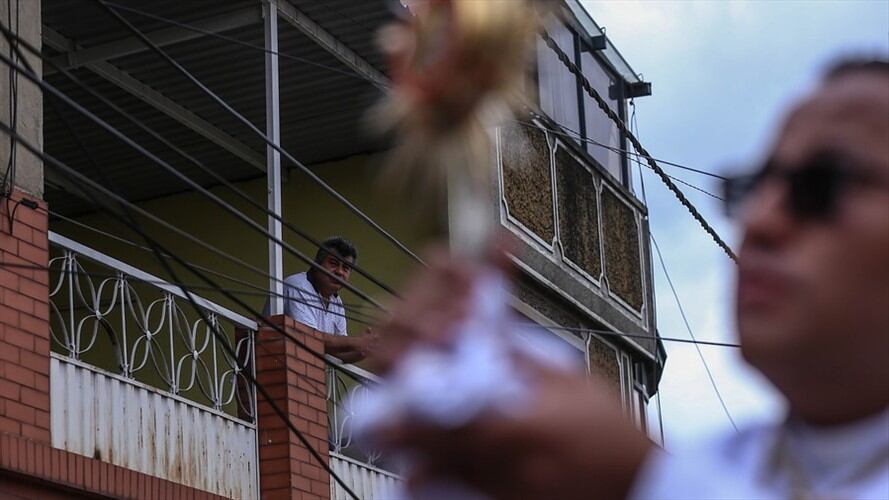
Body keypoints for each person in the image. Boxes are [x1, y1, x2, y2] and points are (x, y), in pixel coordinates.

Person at [370, 58, 889, 499]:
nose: (759, 222)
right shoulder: (725, 464)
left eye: (821, 186)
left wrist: (644, 480)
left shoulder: (672, 476)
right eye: (755, 186)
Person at [279, 236, 376, 363]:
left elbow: (339, 353)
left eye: (346, 268)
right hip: (276, 366)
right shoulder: (298, 285)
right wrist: (356, 342)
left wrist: (366, 350)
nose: (340, 272)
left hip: (304, 374)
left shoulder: (336, 302)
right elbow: (309, 338)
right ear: (316, 264)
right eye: (334, 263)